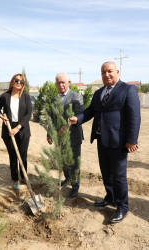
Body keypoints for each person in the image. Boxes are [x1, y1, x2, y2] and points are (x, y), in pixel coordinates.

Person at [70, 62, 141, 223]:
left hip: (119, 142)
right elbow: (91, 111)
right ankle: (110, 197)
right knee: (106, 173)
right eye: (103, 72)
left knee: (119, 176)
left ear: (117, 71)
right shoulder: (99, 92)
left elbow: (134, 116)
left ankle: (122, 207)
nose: (106, 75)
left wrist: (131, 140)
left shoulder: (127, 89)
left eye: (110, 71)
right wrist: (78, 118)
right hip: (101, 139)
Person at [47, 73, 84, 198]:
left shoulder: (77, 97)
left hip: (73, 135)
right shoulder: (54, 99)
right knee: (63, 161)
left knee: (74, 162)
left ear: (69, 82)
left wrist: (66, 125)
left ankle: (75, 186)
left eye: (63, 82)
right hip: (59, 136)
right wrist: (49, 133)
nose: (61, 85)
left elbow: (79, 115)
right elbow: (52, 118)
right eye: (58, 82)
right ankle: (68, 179)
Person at [0, 73, 32, 190]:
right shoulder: (5, 96)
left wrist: (18, 127)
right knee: (13, 155)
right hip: (9, 129)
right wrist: (1, 116)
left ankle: (24, 177)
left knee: (23, 156)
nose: (19, 83)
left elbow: (28, 114)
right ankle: (15, 179)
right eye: (17, 80)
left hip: (23, 128)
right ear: (12, 82)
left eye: (21, 82)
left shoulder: (26, 97)